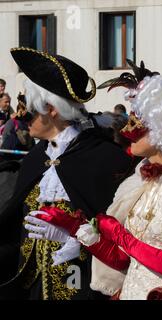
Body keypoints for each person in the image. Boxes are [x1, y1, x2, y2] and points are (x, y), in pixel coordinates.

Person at [32, 60, 162, 300]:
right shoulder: (140, 183)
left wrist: (121, 235)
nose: (126, 131)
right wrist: (76, 229)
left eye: (137, 120)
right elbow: (123, 260)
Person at [0, 47, 132, 300]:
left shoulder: (104, 158)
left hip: (82, 285)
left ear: (51, 110)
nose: (22, 116)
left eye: (27, 107)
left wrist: (76, 238)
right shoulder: (36, 158)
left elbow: (123, 233)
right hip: (33, 287)